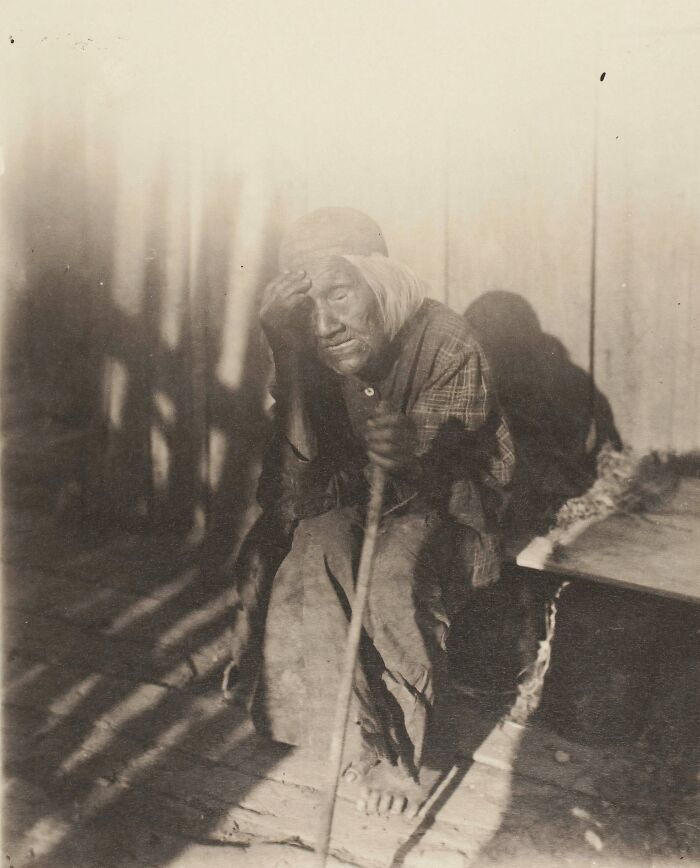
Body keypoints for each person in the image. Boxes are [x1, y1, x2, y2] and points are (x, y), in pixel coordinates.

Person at [227, 207, 515, 816]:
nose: (325, 323)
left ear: (379, 283)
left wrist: (409, 441)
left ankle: (412, 752)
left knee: (390, 578)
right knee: (312, 555)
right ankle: (358, 730)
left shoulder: (445, 338)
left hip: (445, 499)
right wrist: (286, 348)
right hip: (354, 494)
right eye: (307, 306)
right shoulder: (308, 342)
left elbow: (456, 461)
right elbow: (301, 461)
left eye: (339, 294)